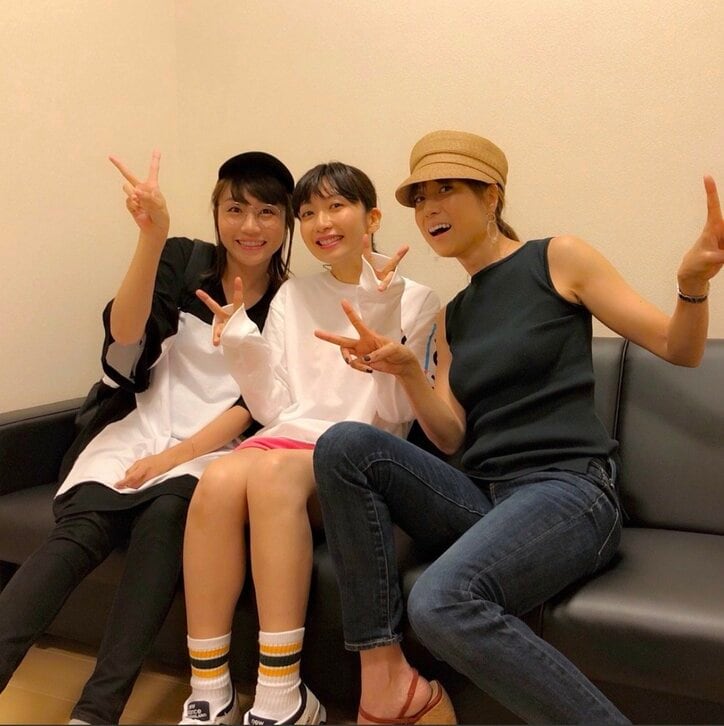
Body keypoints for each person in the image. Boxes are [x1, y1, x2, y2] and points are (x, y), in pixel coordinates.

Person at [312, 129, 724, 724]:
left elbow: (677, 348)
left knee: (441, 602)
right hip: (486, 497)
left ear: (492, 196)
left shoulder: (557, 259)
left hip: (570, 490)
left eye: (446, 190)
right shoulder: (454, 314)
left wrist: (692, 284)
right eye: (420, 198)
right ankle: (385, 673)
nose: (429, 209)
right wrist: (407, 370)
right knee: (344, 445)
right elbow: (451, 435)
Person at [0, 149, 295, 725]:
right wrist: (151, 238)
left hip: (212, 452)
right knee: (78, 531)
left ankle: (96, 712)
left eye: (267, 212)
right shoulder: (183, 260)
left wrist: (174, 457)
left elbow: (254, 406)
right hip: (139, 428)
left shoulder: (290, 303)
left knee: (166, 520)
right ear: (216, 213)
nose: (250, 226)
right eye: (235, 209)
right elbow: (127, 338)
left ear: (286, 223)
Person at [179, 161, 440, 725]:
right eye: (309, 212)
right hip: (288, 443)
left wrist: (381, 312)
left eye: (336, 206)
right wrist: (242, 345)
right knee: (217, 477)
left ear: (372, 218)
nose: (322, 222)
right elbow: (274, 410)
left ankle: (283, 694)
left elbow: (397, 414)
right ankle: (209, 691)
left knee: (270, 476)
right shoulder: (294, 294)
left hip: (358, 458)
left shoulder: (417, 300)